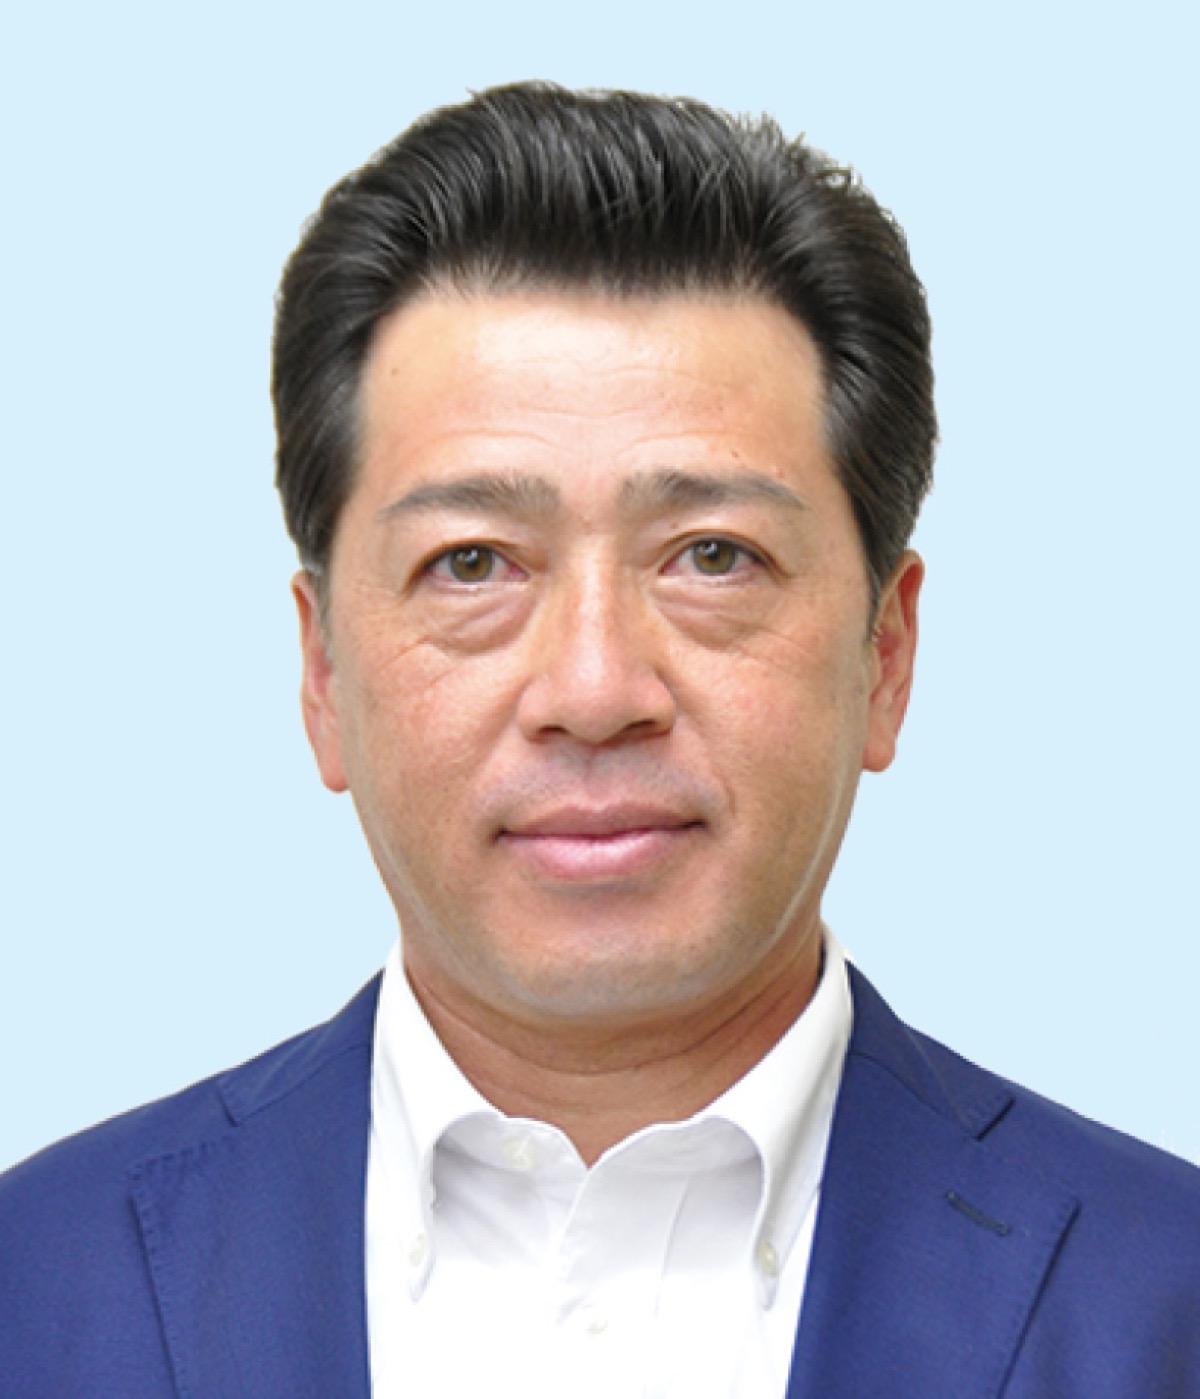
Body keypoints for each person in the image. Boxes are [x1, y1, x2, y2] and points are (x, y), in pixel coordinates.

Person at [1, 81, 1197, 1399]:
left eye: (711, 556)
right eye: (471, 562)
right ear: (322, 670)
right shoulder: (37, 1284)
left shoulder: (1165, 1299)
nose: (592, 687)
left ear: (886, 654)